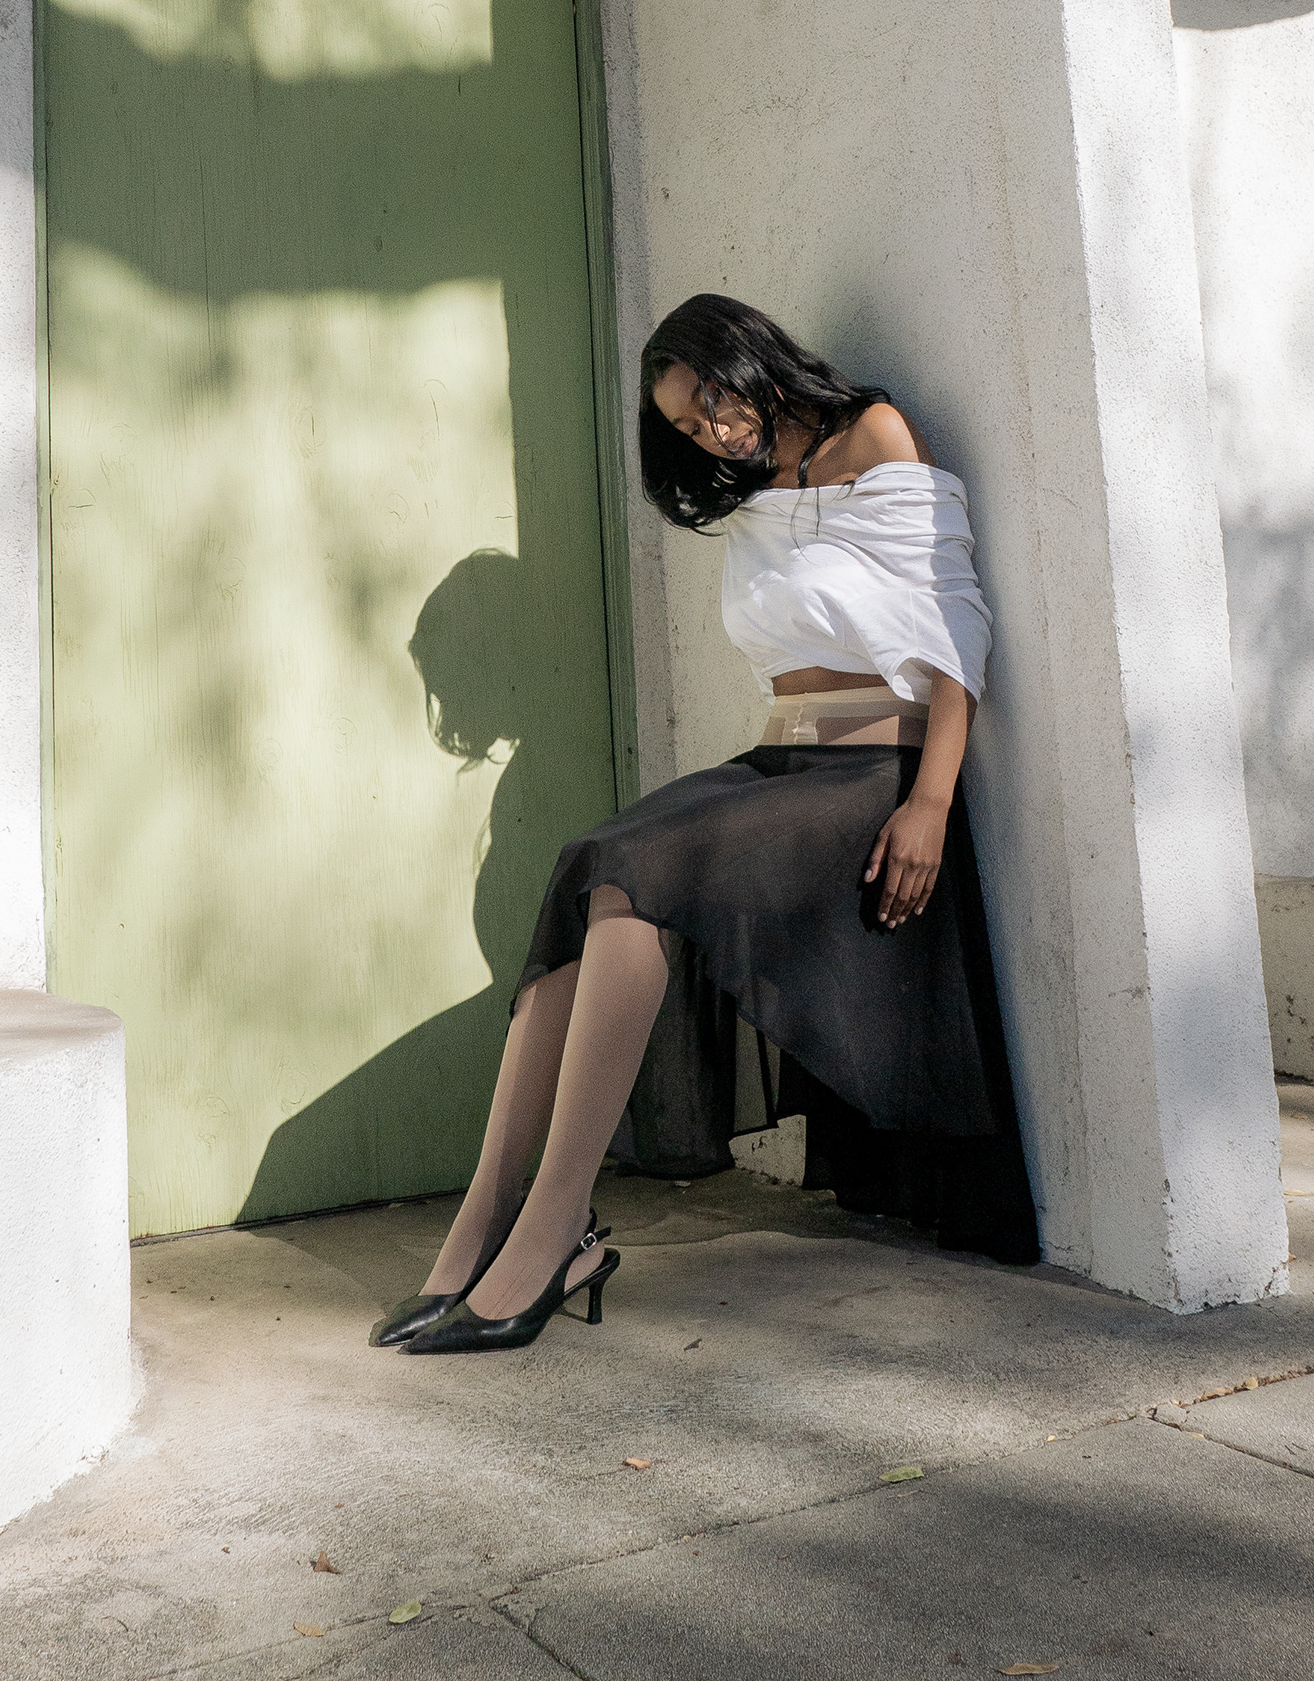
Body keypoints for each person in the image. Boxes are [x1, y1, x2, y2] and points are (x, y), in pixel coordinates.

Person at [370, 293, 1038, 1356]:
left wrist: (931, 802)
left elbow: (959, 630)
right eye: (687, 427)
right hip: (782, 760)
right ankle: (484, 1226)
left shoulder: (875, 435)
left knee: (629, 868)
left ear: (752, 359)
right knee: (588, 867)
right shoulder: (751, 491)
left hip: (874, 774)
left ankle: (552, 1233)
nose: (712, 433)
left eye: (714, 403)